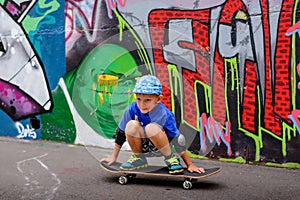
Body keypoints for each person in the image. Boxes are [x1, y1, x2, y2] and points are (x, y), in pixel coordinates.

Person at [101, 75, 205, 174]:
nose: (142, 104)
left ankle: (171, 159)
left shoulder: (165, 114)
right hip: (143, 146)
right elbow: (121, 133)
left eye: (147, 100)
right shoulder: (132, 109)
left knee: (151, 128)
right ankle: (139, 158)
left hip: (162, 147)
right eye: (138, 99)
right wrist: (113, 156)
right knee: (131, 125)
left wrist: (190, 164)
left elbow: (177, 139)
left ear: (158, 99)